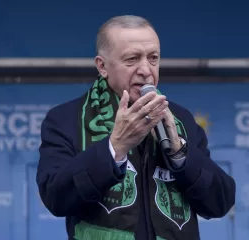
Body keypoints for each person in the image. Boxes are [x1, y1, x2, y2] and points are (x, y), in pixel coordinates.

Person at [36, 15, 236, 240]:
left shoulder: (180, 119)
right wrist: (114, 147)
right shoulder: (66, 118)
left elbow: (220, 202)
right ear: (102, 66)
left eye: (153, 58)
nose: (146, 70)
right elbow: (56, 198)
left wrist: (180, 153)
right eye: (132, 59)